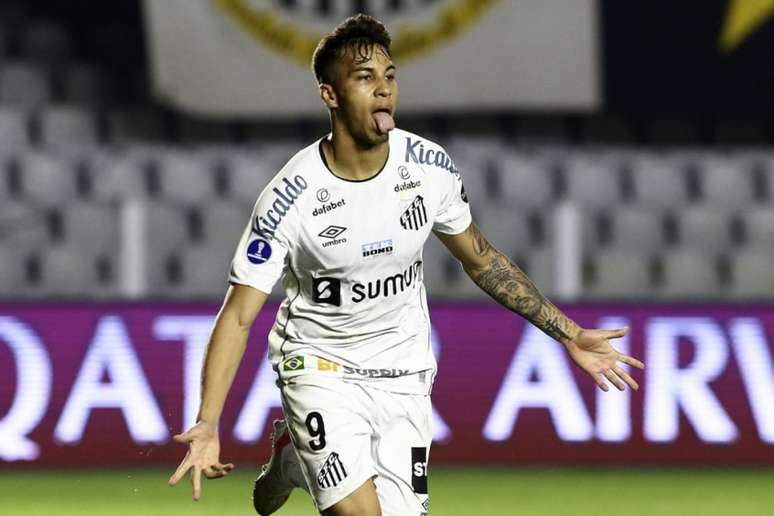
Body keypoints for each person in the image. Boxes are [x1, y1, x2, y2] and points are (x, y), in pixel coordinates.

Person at [168, 13, 645, 516]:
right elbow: (239, 315)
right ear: (330, 95)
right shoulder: (292, 198)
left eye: (390, 77)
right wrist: (208, 422)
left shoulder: (428, 167)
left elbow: (481, 260)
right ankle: (305, 455)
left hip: (405, 371)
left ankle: (292, 461)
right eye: (364, 78)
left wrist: (567, 333)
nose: (383, 90)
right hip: (319, 365)